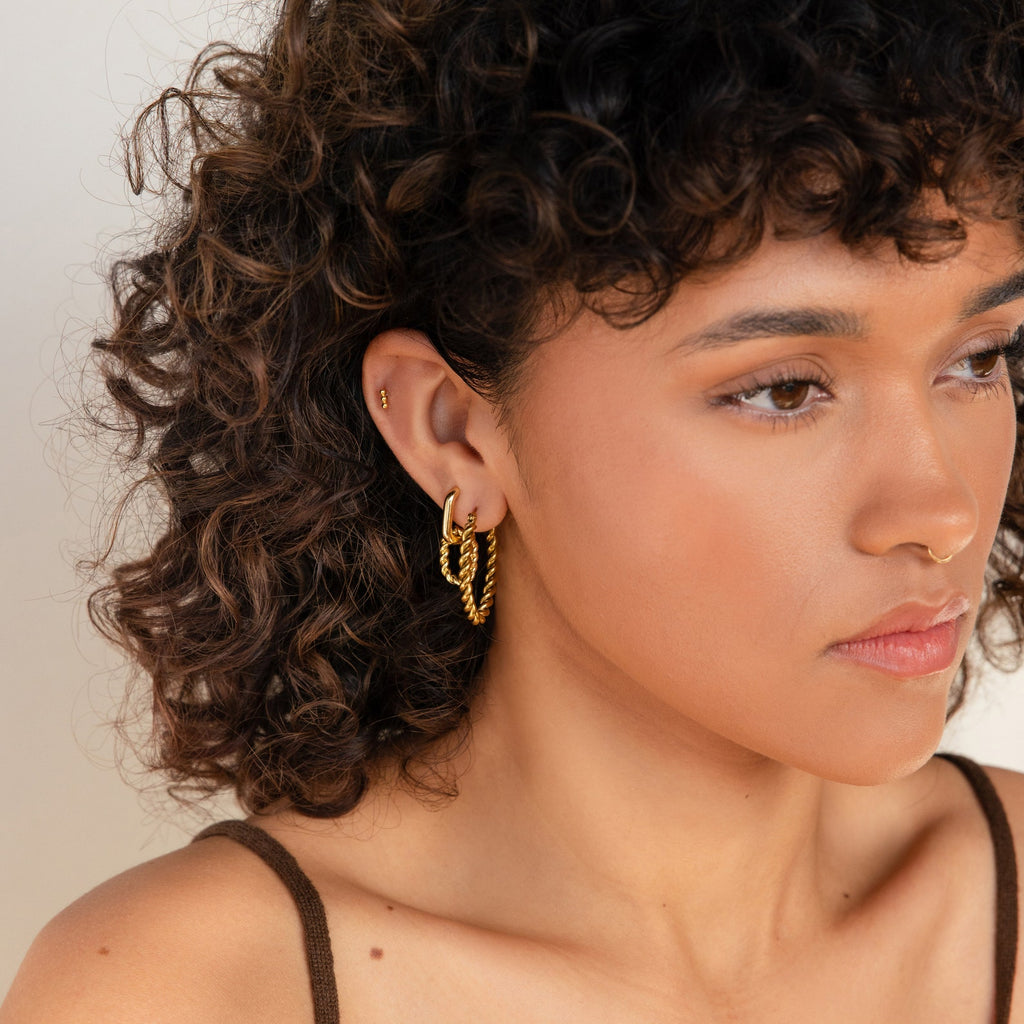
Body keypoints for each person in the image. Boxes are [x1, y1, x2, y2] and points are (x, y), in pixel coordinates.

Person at [5, 0, 1024, 1019]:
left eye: (979, 360)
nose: (937, 508)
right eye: (784, 389)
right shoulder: (186, 994)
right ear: (452, 430)